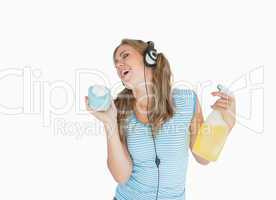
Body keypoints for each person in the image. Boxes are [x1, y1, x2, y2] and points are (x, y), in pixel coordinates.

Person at [84, 39, 236, 200]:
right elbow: (121, 176)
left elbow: (203, 157)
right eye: (116, 64)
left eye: (125, 56)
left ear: (149, 58)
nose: (118, 65)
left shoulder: (187, 101)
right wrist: (110, 123)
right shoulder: (119, 109)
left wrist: (227, 121)